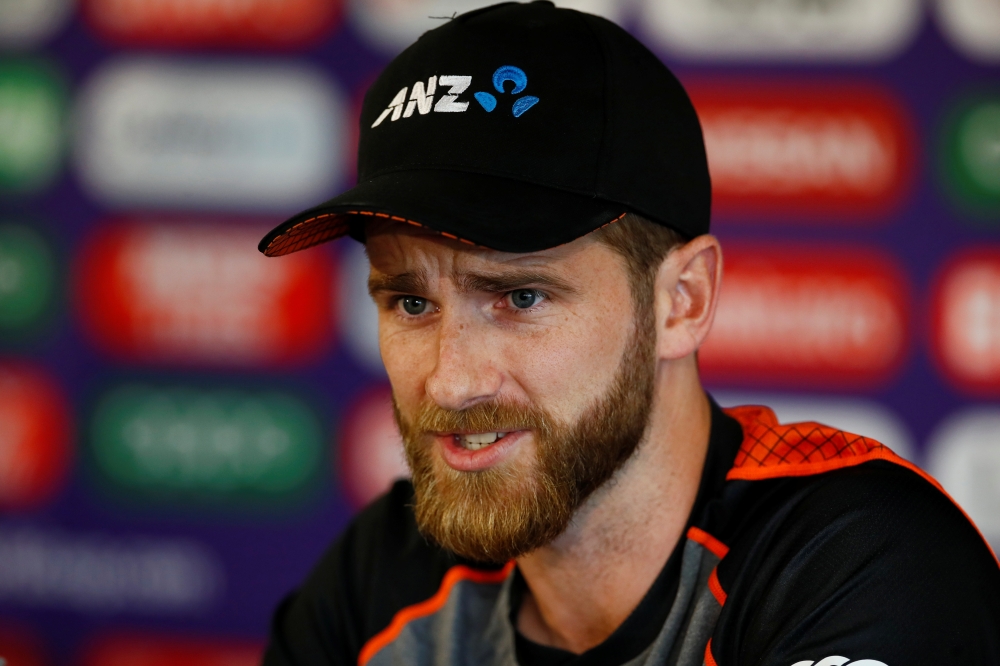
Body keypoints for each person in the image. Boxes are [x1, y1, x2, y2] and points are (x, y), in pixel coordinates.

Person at [257, 3, 1000, 665]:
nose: (451, 381)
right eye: (410, 304)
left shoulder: (852, 561)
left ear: (682, 300)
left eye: (519, 295)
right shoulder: (381, 579)